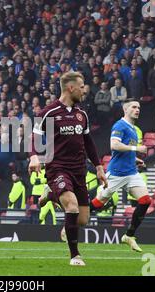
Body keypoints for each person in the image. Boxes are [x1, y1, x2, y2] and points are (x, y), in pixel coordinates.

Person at [29, 72, 107, 266]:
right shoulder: (48, 112)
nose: (84, 90)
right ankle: (75, 256)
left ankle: (51, 195)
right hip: (58, 168)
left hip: (79, 169)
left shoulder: (82, 114)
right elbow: (35, 136)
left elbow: (88, 142)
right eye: (81, 87)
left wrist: (98, 167)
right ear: (70, 88)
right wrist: (34, 157)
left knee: (82, 220)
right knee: (71, 206)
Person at [90, 100, 151, 252]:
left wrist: (136, 159)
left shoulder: (134, 129)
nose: (137, 109)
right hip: (116, 173)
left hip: (131, 172)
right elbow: (114, 146)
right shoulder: (120, 125)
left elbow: (124, 151)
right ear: (125, 109)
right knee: (98, 203)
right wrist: (136, 148)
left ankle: (129, 236)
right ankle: (72, 221)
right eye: (134, 107)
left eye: (139, 107)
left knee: (145, 200)